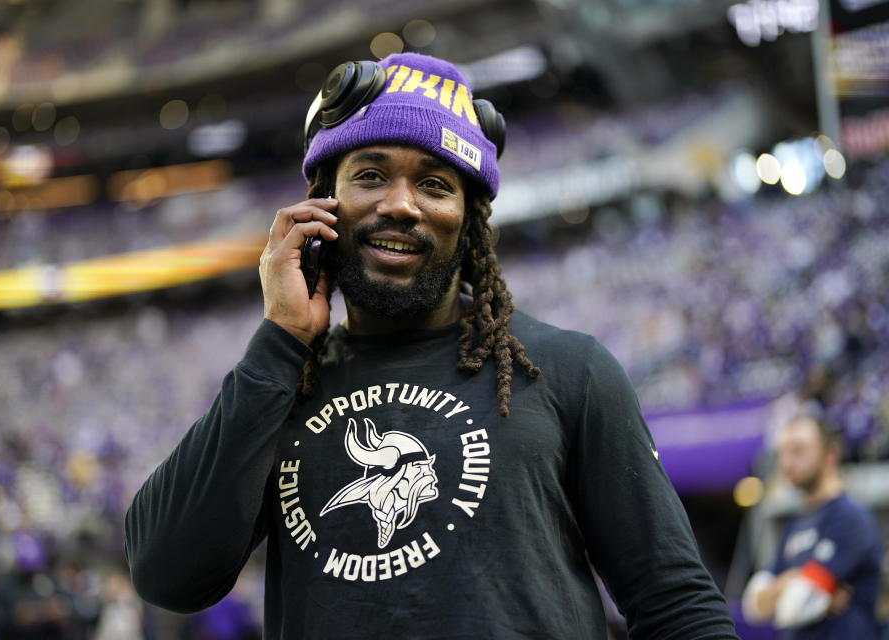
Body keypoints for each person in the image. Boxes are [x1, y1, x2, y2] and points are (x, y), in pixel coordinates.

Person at [125, 51, 739, 638]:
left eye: (436, 185)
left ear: (467, 217)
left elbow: (675, 604)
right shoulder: (281, 386)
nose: (401, 205)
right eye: (369, 175)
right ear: (321, 204)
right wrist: (279, 342)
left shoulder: (571, 371)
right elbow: (166, 575)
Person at [742, 414, 883, 637]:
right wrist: (797, 579)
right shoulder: (795, 524)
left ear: (830, 455)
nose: (787, 462)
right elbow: (754, 605)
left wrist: (785, 589)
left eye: (798, 450)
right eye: (783, 452)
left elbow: (793, 607)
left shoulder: (850, 518)